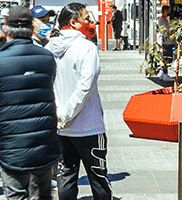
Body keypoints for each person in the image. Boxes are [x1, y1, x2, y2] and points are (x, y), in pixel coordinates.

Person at [0, 6, 62, 200]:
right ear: (32, 28)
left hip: (12, 141)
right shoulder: (46, 57)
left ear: (5, 29)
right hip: (44, 139)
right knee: (42, 195)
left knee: (16, 194)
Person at [45, 5, 111, 200]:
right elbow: (85, 86)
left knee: (65, 177)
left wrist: (57, 115)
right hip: (89, 127)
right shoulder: (87, 48)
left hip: (60, 128)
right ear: (73, 22)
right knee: (99, 179)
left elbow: (45, 85)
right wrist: (66, 115)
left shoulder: (48, 49)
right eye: (87, 18)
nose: (91, 23)